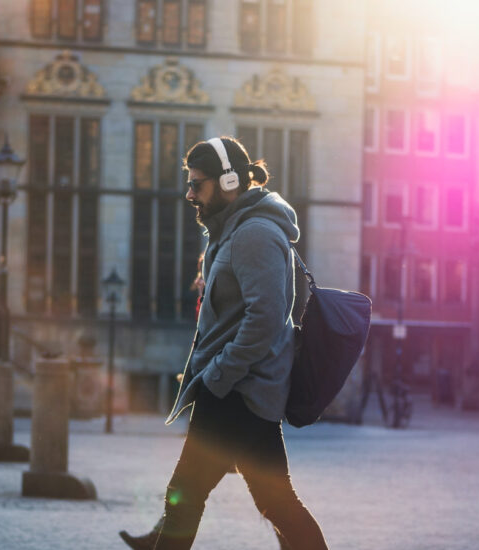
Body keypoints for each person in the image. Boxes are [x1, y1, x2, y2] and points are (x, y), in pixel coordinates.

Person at [121, 136, 328, 549]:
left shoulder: (253, 234)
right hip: (245, 387)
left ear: (229, 182)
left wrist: (219, 374)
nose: (189, 193)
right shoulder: (235, 230)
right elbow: (246, 301)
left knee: (187, 494)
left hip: (239, 389)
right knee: (274, 501)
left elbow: (266, 318)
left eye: (198, 184)